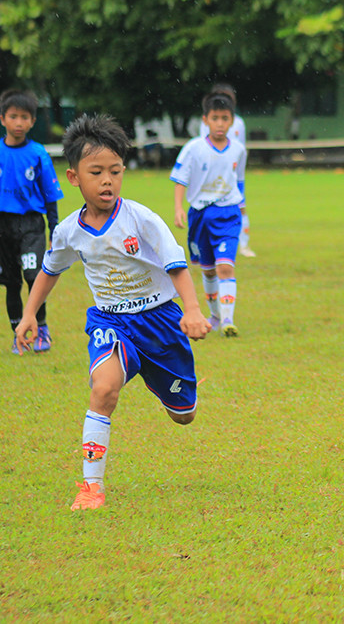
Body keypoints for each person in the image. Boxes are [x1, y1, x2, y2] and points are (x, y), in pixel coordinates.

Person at [14, 114, 211, 511]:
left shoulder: (141, 219)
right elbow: (50, 271)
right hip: (110, 322)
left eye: (116, 171)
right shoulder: (69, 230)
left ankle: (160, 379)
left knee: (185, 415)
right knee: (103, 390)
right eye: (97, 172)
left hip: (160, 322)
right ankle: (91, 489)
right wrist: (29, 314)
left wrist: (191, 309)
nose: (108, 180)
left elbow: (176, 266)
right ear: (74, 177)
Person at [0, 89, 64, 353]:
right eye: (13, 117)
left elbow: (50, 195)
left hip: (31, 225)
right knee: (11, 283)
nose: (19, 123)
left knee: (34, 277)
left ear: (33, 121)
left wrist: (54, 228)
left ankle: (42, 329)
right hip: (1, 226)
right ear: (2, 119)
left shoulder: (38, 154)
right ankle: (18, 333)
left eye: (25, 117)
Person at [173, 91, 247, 337]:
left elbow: (239, 182)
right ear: (205, 120)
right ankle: (215, 315)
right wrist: (178, 207)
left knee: (225, 266)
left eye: (225, 118)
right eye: (215, 118)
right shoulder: (193, 149)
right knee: (208, 270)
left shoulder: (238, 150)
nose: (220, 124)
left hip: (228, 214)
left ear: (232, 121)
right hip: (200, 215)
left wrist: (243, 208)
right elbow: (180, 179)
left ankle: (228, 321)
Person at [197, 83, 255, 257]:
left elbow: (242, 148)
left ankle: (244, 244)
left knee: (241, 207)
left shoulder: (238, 123)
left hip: (234, 174)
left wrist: (240, 175)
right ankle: (210, 243)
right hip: (213, 175)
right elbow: (203, 146)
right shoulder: (208, 120)